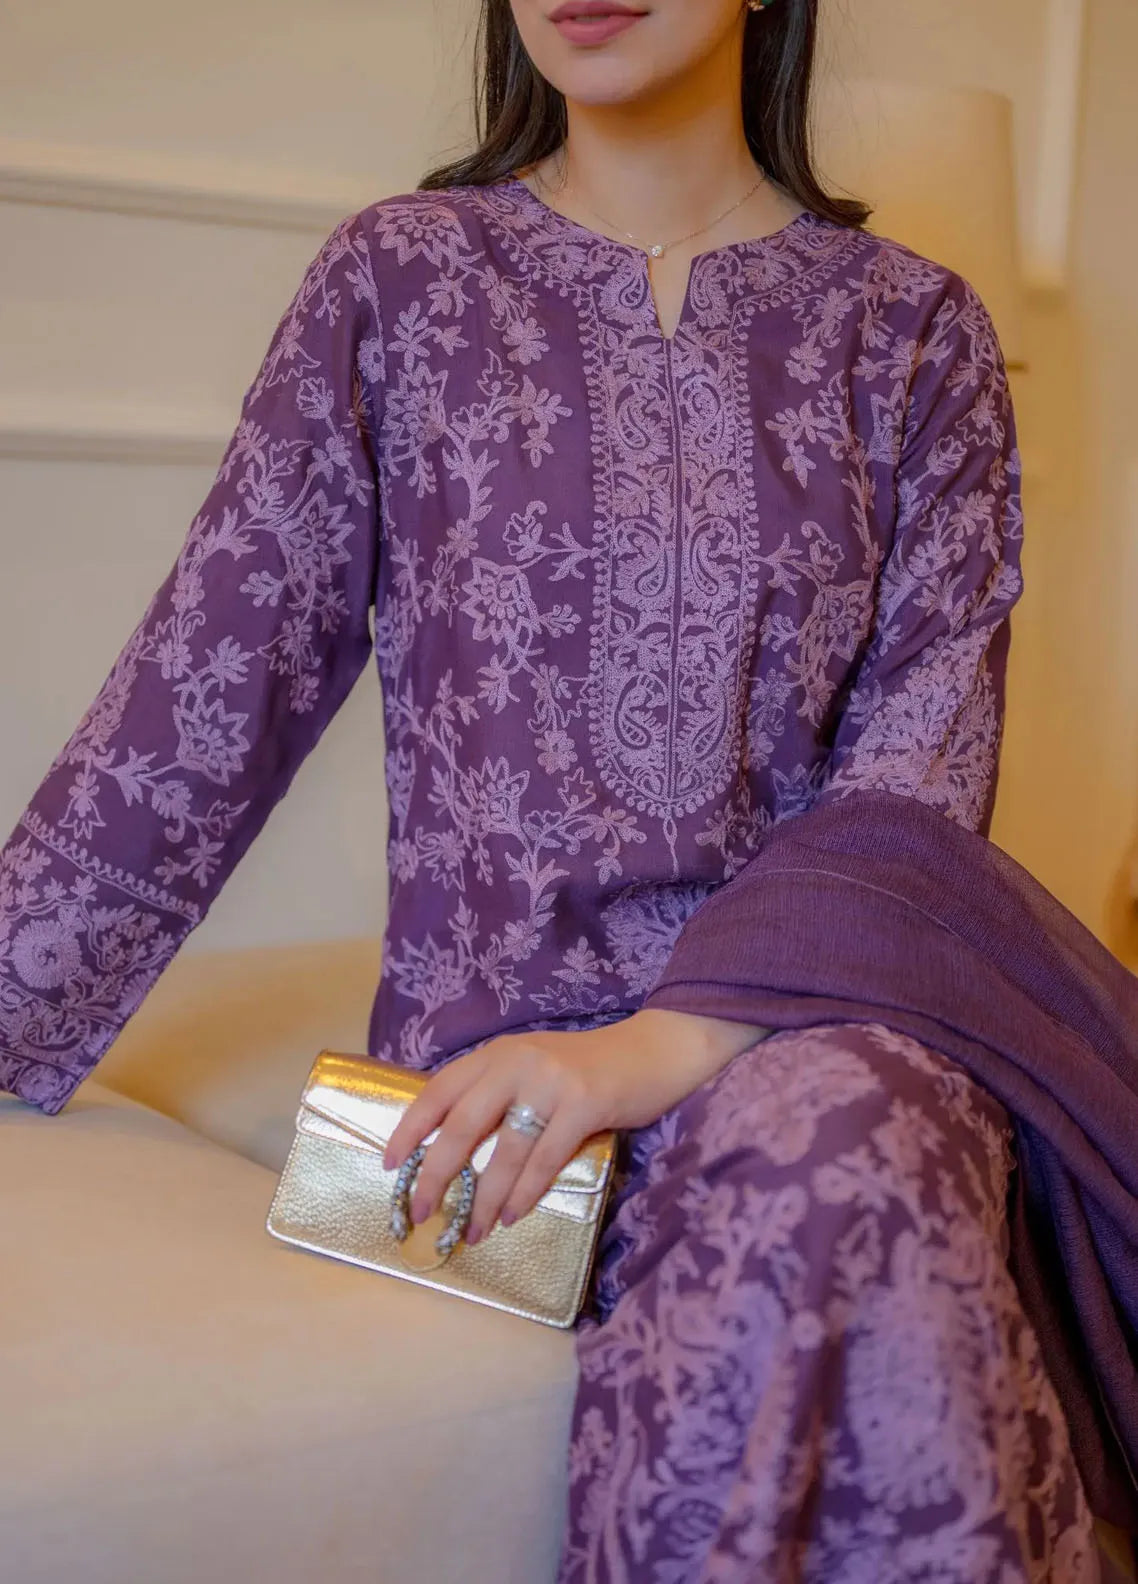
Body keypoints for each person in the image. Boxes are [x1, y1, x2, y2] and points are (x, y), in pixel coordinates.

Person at [0, 0, 1110, 1578]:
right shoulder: (403, 283)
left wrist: (667, 1046)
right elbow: (202, 692)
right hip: (496, 1089)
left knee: (858, 1147)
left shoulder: (912, 334)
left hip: (807, 1041)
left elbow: (912, 793)